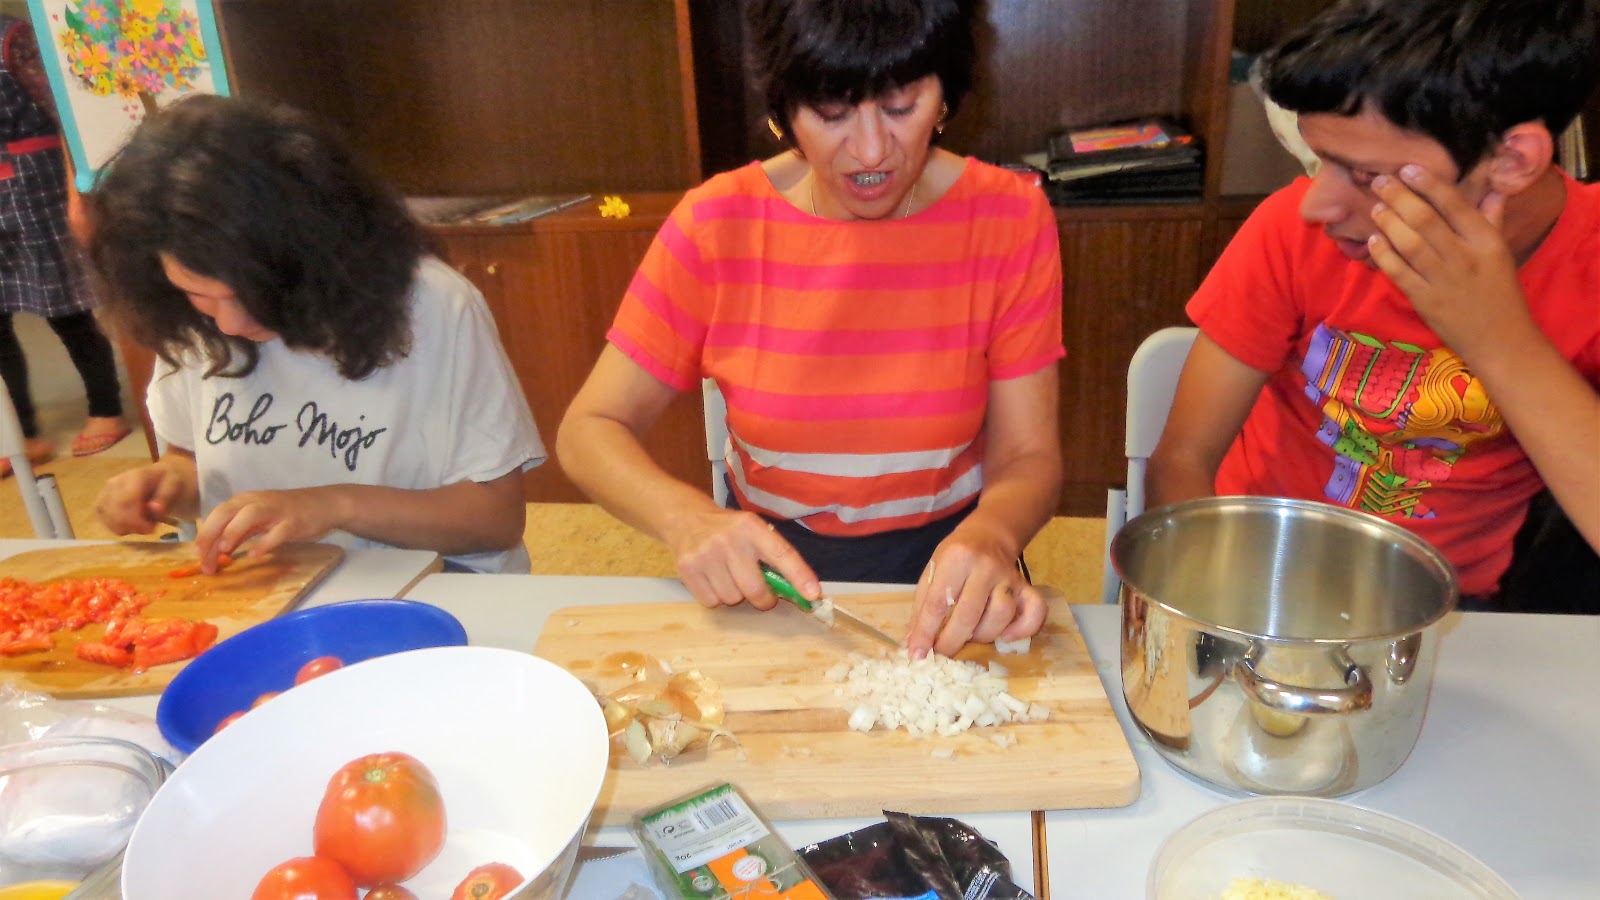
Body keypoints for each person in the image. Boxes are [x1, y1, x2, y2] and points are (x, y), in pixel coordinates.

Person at [558, 0, 1065, 658]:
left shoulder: (1008, 219)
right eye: (831, 112)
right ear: (785, 111)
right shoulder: (717, 224)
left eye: (901, 105)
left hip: (954, 575)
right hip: (768, 581)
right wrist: (686, 519)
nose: (871, 149)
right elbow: (589, 429)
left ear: (945, 92)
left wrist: (993, 536)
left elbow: (1029, 456)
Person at [1147, 0, 1600, 607]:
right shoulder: (1292, 232)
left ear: (1513, 161)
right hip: (1259, 579)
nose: (1317, 206)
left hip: (1451, 607)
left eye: (1364, 176)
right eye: (1319, 161)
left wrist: (1494, 333)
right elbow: (1181, 458)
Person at [89, 95, 544, 574]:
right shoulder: (185, 316)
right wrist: (167, 484)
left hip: (427, 579)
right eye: (199, 295)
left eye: (251, 293)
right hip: (261, 583)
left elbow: (495, 520)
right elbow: (193, 460)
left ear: (309, 252)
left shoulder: (430, 304)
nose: (229, 325)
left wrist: (331, 506)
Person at [0, 14, 131, 474]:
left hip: (37, 189)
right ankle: (20, 431)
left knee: (67, 308)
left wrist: (80, 193)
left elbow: (69, 116)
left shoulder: (14, 39)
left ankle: (106, 408)